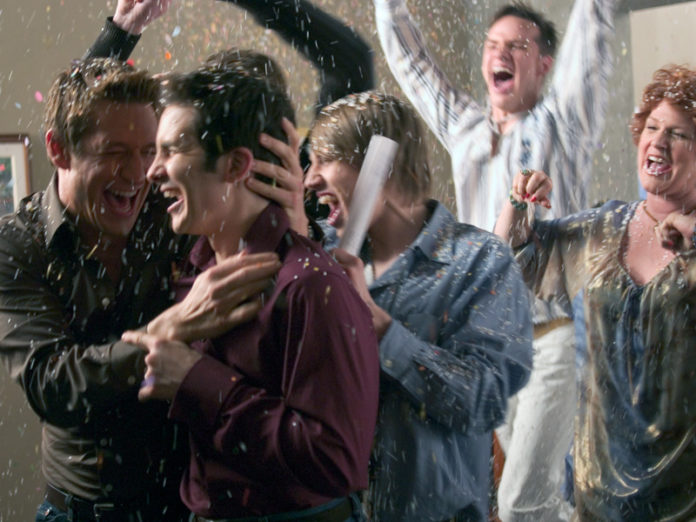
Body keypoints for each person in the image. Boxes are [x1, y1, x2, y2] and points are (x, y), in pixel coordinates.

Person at [0, 56, 294, 522]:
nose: (138, 173)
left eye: (148, 150)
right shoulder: (16, 244)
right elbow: (52, 386)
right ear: (58, 150)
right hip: (82, 512)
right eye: (114, 152)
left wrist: (290, 219)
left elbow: (250, 232)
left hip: (188, 504)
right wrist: (169, 330)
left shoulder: (169, 206)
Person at [373, 1, 616, 518]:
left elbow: (591, 27)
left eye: (517, 46)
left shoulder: (563, 123)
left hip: (554, 339)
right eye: (491, 45)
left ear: (544, 65)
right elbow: (413, 65)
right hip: (490, 346)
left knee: (520, 501)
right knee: (543, 500)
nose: (500, 54)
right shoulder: (465, 128)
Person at [122, 65, 380, 520]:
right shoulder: (192, 273)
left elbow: (336, 462)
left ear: (237, 165)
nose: (153, 171)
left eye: (171, 150)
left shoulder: (311, 286)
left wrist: (201, 382)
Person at [304, 91, 533, 521]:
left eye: (326, 160)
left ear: (382, 167)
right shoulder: (316, 255)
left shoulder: (480, 263)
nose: (310, 179)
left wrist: (382, 331)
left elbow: (482, 401)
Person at [494, 64, 696, 521]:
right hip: (599, 493)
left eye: (678, 134)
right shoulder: (602, 227)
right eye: (652, 127)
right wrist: (518, 202)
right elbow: (506, 267)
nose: (659, 142)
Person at [86, 0, 376, 221]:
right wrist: (123, 27)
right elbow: (76, 117)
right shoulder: (176, 193)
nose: (242, 163)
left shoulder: (303, 185)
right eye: (226, 127)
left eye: (255, 123)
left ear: (281, 132)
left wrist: (123, 31)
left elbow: (351, 64)